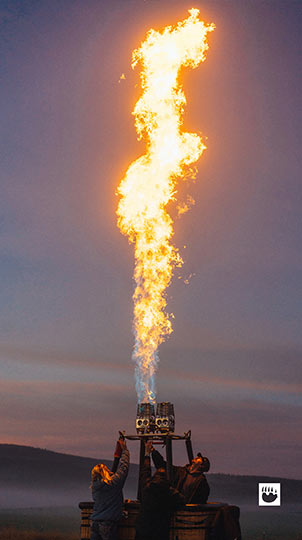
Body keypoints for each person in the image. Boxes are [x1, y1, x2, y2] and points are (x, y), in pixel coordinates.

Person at [135, 440, 185, 540]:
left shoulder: (147, 486)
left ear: (154, 476)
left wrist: (147, 455)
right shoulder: (169, 492)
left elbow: (145, 471)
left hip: (143, 528)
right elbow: (182, 500)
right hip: (160, 530)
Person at [90, 438, 130, 540]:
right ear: (105, 473)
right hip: (108, 524)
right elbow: (123, 468)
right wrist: (125, 450)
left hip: (95, 524)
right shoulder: (113, 484)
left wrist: (117, 455)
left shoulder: (95, 487)